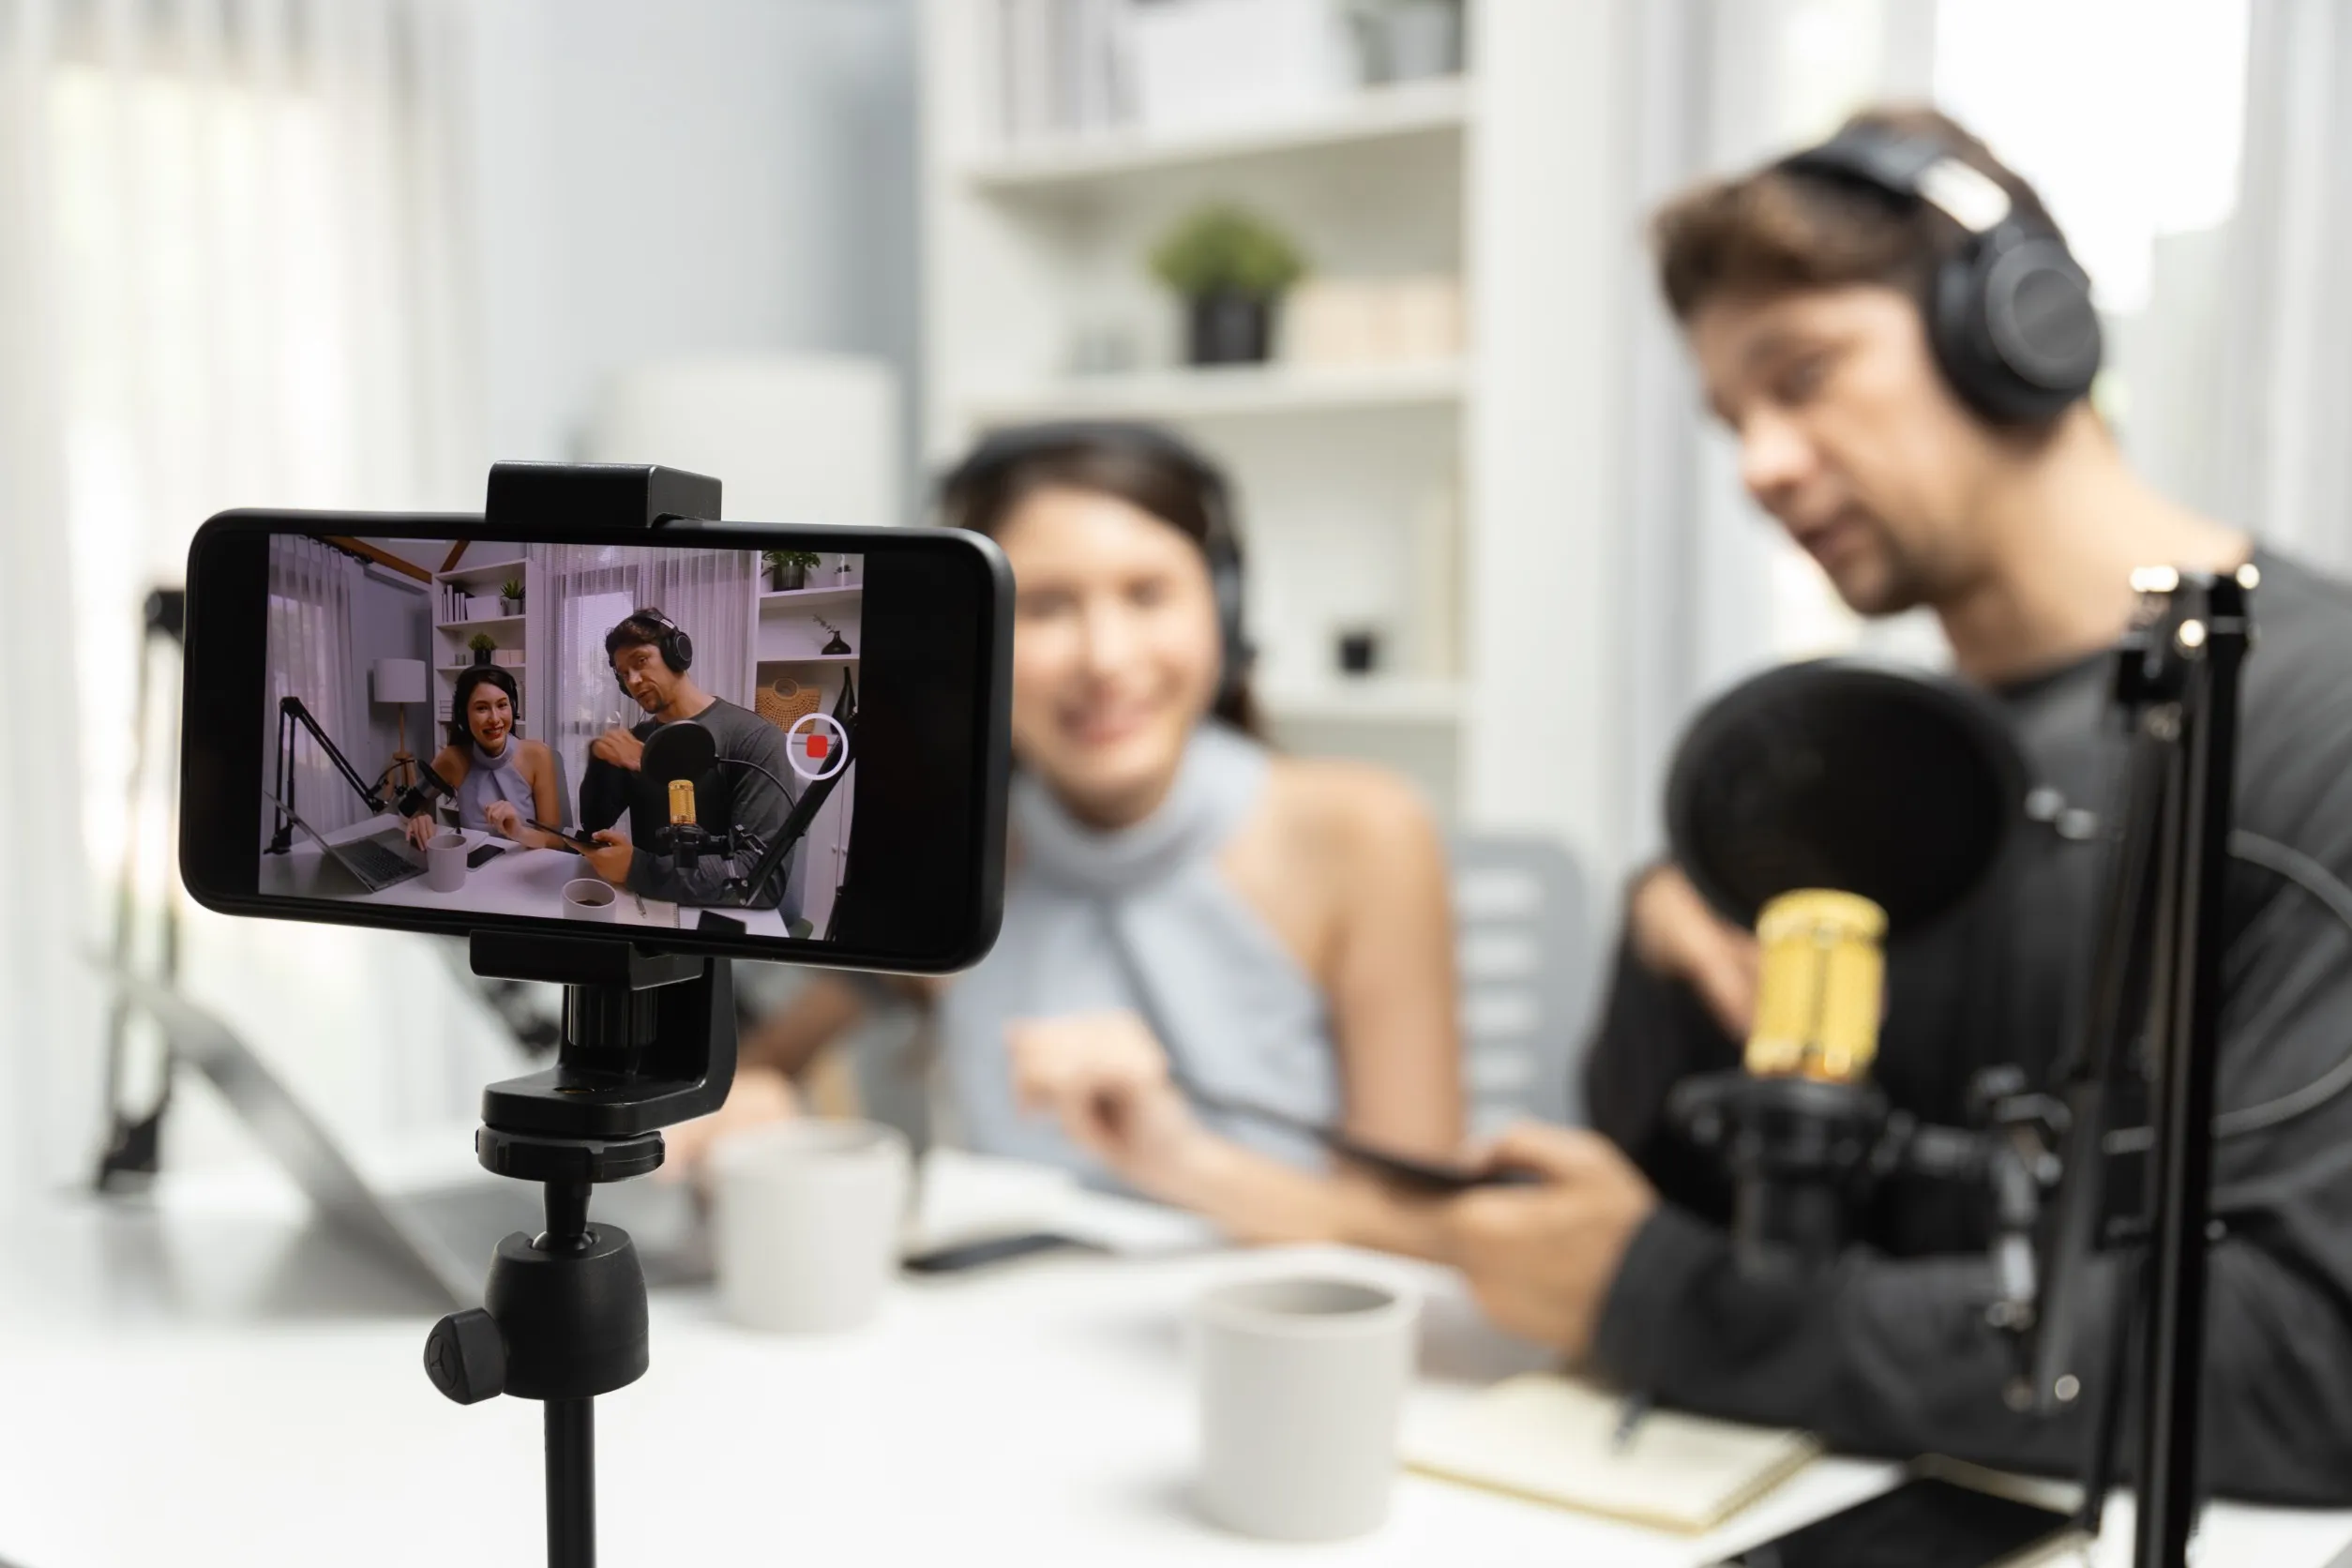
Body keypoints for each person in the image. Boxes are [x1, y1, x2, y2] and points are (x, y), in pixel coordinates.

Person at [1404, 105, 2352, 1504]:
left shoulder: (2313, 727)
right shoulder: (1860, 767)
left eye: (1806, 376)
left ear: (2020, 333)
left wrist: (1671, 1302)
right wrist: (1664, 937)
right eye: (1734, 419)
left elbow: (2304, 1365)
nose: (1760, 467)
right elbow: (1665, 1211)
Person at [675, 425, 1462, 1252]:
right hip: (1017, 1353)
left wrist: (1180, 1162)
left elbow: (1433, 1234)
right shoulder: (939, 850)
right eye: (1047, 606)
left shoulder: (1364, 833)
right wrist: (750, 1105)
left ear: (1223, 610)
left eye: (1148, 593)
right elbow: (763, 1066)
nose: (1106, 658)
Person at [573, 608, 796, 907]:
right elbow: (594, 823)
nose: (634, 681)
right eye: (624, 674)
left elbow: (763, 880)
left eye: (641, 661)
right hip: (643, 907)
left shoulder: (755, 738)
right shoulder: (636, 738)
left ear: (676, 653)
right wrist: (600, 761)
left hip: (718, 918)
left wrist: (636, 868)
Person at [400, 666, 563, 851]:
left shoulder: (537, 755)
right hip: (474, 873)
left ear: (513, 707)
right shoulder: (452, 759)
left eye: (502, 705)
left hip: (526, 870)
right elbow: (407, 810)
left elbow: (556, 842)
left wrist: (518, 832)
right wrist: (418, 818)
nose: (494, 718)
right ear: (464, 715)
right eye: (482, 708)